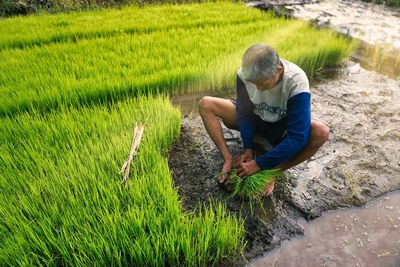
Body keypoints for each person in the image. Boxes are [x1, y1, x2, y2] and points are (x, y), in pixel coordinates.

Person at [198, 43, 329, 196]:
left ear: (279, 71)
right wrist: (247, 147)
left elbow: (297, 136)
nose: (259, 89)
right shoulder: (245, 74)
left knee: (321, 132)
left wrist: (259, 164)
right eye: (255, 83)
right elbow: (245, 111)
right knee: (206, 104)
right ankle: (228, 158)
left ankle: (274, 172)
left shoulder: (296, 82)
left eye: (264, 83)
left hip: (280, 128)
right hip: (255, 119)